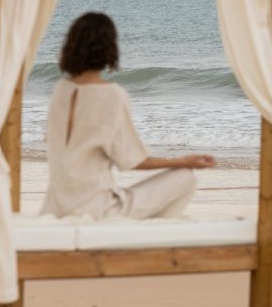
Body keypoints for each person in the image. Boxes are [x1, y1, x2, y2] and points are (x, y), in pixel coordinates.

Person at [40, 12, 215, 219]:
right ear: (109, 48)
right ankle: (142, 238)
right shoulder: (111, 94)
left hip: (55, 208)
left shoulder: (60, 90)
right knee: (185, 177)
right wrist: (184, 161)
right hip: (97, 210)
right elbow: (132, 162)